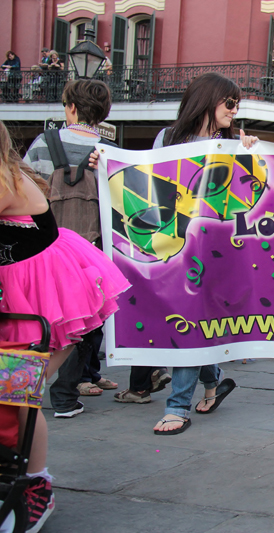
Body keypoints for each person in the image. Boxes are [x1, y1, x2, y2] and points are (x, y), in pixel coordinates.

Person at [0, 119, 130, 533]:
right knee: (16, 391)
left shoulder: (5, 182)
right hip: (20, 298)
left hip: (46, 302)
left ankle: (36, 484)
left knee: (19, 390)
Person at [150, 72, 258, 435]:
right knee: (192, 320)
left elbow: (251, 192)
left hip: (217, 251)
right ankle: (213, 381)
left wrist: (251, 155)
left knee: (191, 317)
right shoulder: (167, 138)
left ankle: (177, 406)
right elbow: (148, 181)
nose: (235, 110)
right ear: (208, 99)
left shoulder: (234, 144)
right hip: (175, 246)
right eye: (230, 102)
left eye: (237, 103)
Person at [23, 79, 120, 418]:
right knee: (86, 320)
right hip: (91, 251)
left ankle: (20, 388)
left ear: (72, 107)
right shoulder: (111, 153)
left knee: (38, 319)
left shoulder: (43, 144)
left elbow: (26, 188)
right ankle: (65, 396)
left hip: (45, 249)